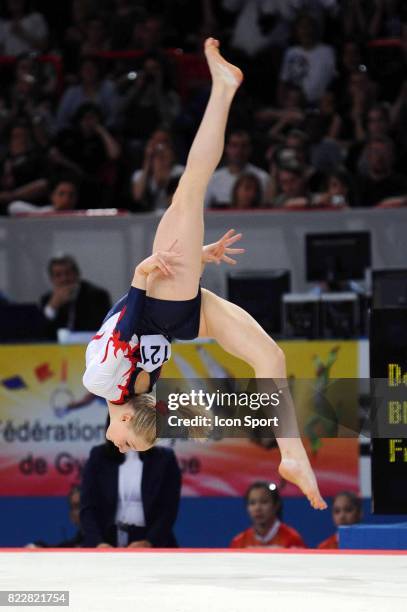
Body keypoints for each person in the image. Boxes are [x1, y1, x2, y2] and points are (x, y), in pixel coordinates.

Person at [82, 38, 326, 510]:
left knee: (270, 359)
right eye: (129, 445)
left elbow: (126, 333)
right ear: (129, 422)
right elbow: (128, 325)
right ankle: (223, 88)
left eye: (128, 447)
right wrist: (142, 276)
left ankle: (293, 454)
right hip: (162, 303)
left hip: (175, 313)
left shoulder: (119, 387)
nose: (119, 446)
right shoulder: (108, 387)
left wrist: (189, 258)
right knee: (190, 189)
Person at [80, 434, 181, 547]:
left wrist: (150, 542)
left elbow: (168, 509)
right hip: (106, 541)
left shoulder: (164, 458)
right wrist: (98, 543)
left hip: (151, 543)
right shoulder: (99, 456)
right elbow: (87, 507)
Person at [41, 254, 111, 338]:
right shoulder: (47, 300)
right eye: (58, 275)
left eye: (67, 273)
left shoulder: (98, 296)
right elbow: (40, 334)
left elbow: (102, 328)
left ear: (77, 274)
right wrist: (52, 308)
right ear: (52, 279)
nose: (64, 279)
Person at [204, 130, 269, 209]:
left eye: (243, 146)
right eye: (234, 145)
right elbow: (204, 210)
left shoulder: (263, 177)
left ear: (250, 149)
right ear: (226, 148)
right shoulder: (213, 179)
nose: (239, 151)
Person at [230, 482, 306, 548]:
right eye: (252, 503)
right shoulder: (239, 542)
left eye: (264, 502)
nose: (258, 508)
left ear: (276, 505)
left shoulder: (292, 539)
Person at [8, 175, 78, 215]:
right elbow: (13, 207)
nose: (66, 198)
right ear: (52, 196)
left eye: (71, 195)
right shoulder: (45, 212)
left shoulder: (80, 216)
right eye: (61, 194)